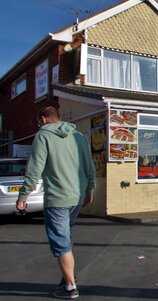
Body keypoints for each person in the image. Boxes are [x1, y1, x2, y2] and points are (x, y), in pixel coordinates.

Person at [16, 106, 96, 299]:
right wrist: (90, 189)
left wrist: (23, 195)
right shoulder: (79, 136)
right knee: (65, 237)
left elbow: (35, 168)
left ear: (43, 119)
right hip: (77, 196)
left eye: (39, 121)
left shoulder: (43, 136)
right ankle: (68, 276)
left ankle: (70, 287)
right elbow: (89, 165)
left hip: (58, 198)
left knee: (60, 242)